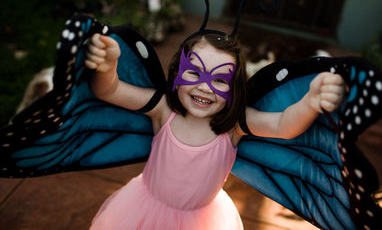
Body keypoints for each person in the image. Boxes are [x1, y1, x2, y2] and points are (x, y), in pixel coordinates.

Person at [85, 31, 345, 230]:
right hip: (143, 209)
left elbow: (283, 126)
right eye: (193, 73)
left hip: (202, 221)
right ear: (176, 73)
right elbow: (108, 90)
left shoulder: (233, 126)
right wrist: (108, 67)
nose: (205, 87)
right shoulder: (164, 109)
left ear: (235, 89)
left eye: (220, 79)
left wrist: (310, 102)